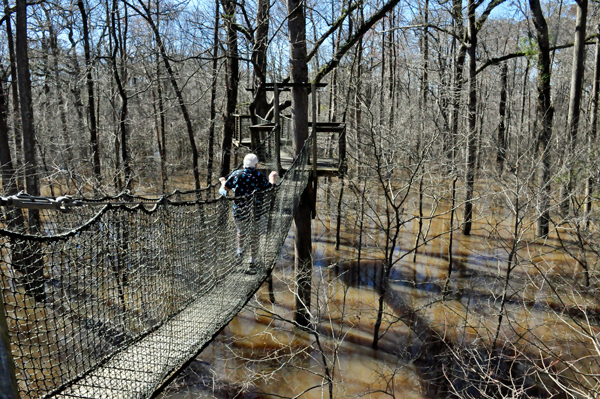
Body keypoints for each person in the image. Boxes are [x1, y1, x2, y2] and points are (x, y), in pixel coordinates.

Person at [219, 153, 278, 274]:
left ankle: (239, 251)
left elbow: (225, 189)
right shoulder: (258, 176)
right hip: (255, 213)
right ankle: (252, 260)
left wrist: (223, 181)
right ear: (256, 165)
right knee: (255, 236)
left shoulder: (236, 174)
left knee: (241, 231)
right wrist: (272, 178)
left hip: (240, 212)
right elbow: (270, 189)